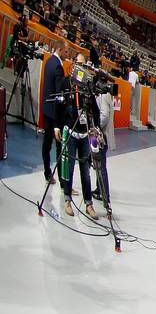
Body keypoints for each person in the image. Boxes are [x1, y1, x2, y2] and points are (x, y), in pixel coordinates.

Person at [58, 76, 101, 220]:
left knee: (85, 172)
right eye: (79, 64)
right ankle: (67, 200)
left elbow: (95, 110)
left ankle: (89, 204)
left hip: (85, 136)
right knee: (68, 168)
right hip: (70, 133)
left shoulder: (88, 91)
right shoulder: (67, 84)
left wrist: (96, 128)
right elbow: (59, 107)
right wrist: (57, 127)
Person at [40, 41, 66, 185]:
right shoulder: (57, 65)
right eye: (66, 52)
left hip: (47, 110)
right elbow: (58, 94)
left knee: (47, 143)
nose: (68, 55)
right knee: (59, 147)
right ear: (60, 50)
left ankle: (47, 173)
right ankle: (63, 181)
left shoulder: (48, 61)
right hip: (55, 114)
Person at [91, 81, 117, 211]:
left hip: (102, 137)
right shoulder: (100, 95)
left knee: (101, 167)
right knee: (97, 164)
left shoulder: (104, 95)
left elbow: (104, 116)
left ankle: (105, 195)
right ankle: (98, 189)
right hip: (99, 136)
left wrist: (95, 127)